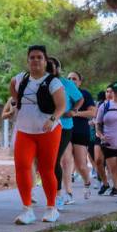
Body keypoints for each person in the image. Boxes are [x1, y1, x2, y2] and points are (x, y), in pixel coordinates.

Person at [10, 46, 66, 224]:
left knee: (46, 169)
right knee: (22, 166)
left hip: (48, 131)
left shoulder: (53, 82)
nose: (35, 61)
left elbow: (61, 106)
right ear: (28, 60)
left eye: (39, 57)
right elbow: (12, 87)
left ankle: (52, 208)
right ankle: (27, 210)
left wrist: (52, 119)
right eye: (32, 57)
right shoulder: (20, 79)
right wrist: (16, 101)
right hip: (24, 131)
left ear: (45, 60)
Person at [49, 58, 83, 208]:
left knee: (55, 160)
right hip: (44, 126)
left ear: (58, 68)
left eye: (52, 66)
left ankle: (58, 196)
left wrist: (74, 110)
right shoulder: (39, 83)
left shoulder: (66, 83)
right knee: (46, 162)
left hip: (64, 126)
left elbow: (80, 99)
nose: (49, 68)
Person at [65, 71, 96, 199]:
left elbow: (92, 113)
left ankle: (87, 182)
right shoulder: (62, 93)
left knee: (81, 165)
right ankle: (68, 193)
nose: (71, 81)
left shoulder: (85, 94)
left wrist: (75, 113)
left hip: (80, 131)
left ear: (79, 82)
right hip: (65, 131)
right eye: (69, 78)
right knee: (65, 162)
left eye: (74, 78)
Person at [91, 88, 110, 195]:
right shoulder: (101, 105)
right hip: (100, 135)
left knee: (111, 163)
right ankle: (105, 183)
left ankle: (116, 186)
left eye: (111, 91)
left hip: (115, 137)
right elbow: (95, 118)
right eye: (107, 91)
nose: (109, 94)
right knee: (98, 160)